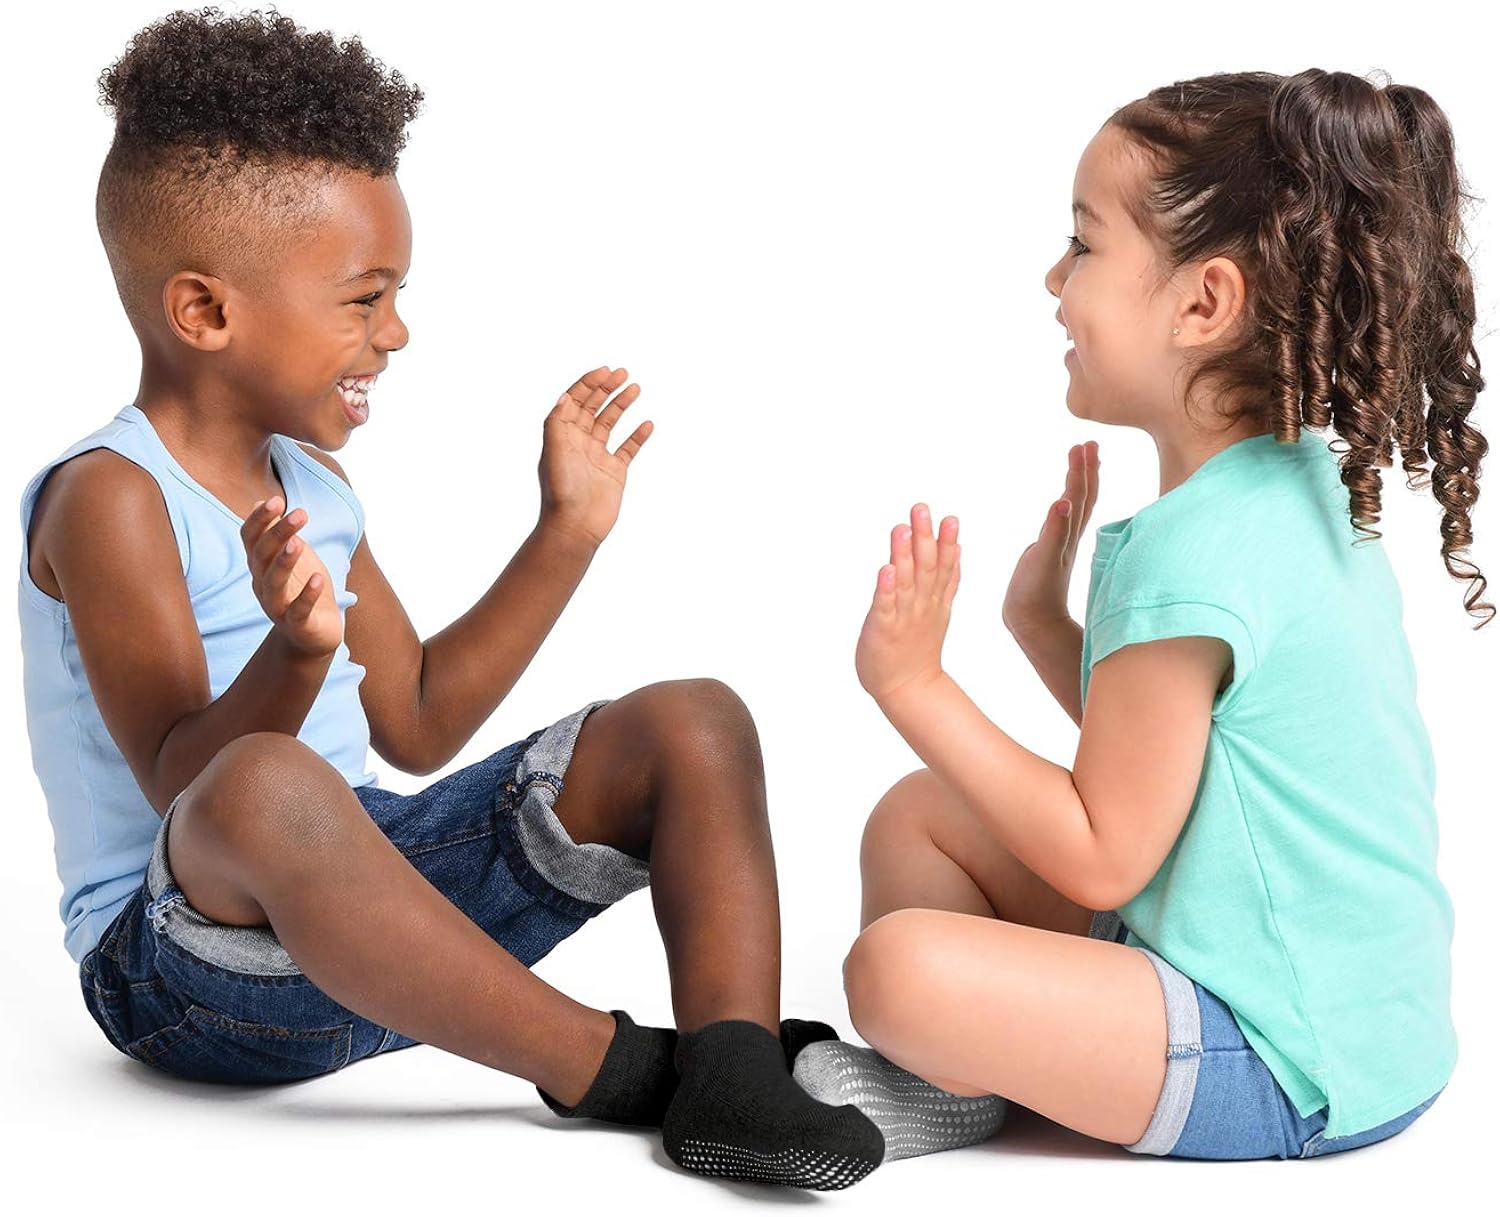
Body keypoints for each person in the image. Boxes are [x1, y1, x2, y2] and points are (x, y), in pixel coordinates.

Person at [17, 7, 883, 1190]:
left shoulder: (311, 484)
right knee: (268, 783)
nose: (397, 332)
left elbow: (418, 720)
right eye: (362, 298)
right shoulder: (110, 497)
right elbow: (186, 783)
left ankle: (732, 1070)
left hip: (379, 933)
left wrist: (564, 532)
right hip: (183, 972)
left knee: (697, 718)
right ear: (206, 312)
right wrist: (297, 651)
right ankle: (620, 1068)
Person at [791, 68, 1488, 1162]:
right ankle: (987, 1069)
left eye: (1082, 245)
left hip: (1280, 1056)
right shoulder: (1296, 486)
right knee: (918, 815)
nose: (1052, 278)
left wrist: (913, 684)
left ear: (1203, 305)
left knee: (893, 970)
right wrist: (1041, 626)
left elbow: (1105, 854)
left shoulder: (1192, 551)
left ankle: (965, 1075)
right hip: (1362, 1023)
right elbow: (1187, 759)